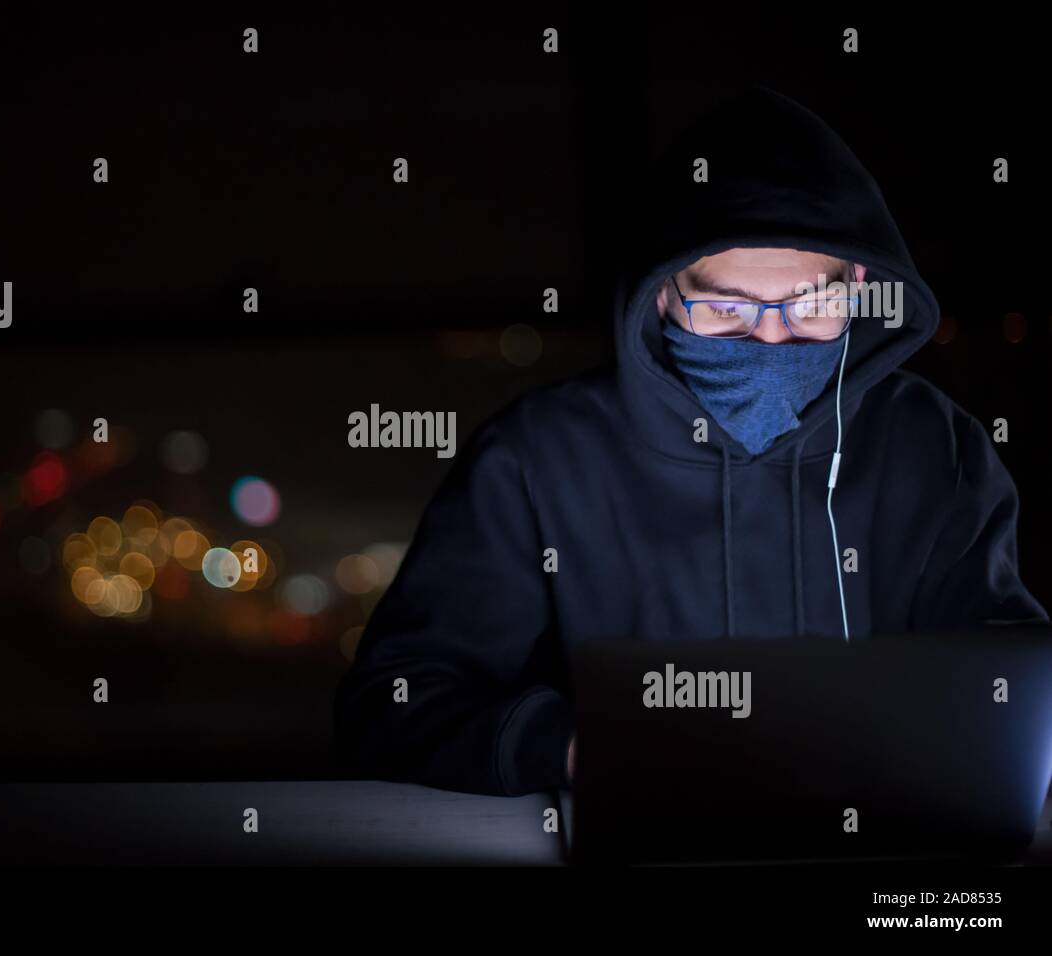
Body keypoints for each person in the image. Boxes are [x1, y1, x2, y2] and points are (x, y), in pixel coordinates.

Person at [332, 87, 1048, 796]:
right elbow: (391, 703)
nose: (772, 337)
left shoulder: (933, 445)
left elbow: (1009, 682)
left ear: (858, 285)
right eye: (727, 309)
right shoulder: (537, 458)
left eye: (811, 305)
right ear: (667, 291)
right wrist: (576, 750)